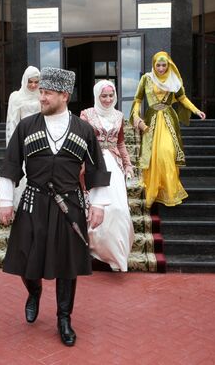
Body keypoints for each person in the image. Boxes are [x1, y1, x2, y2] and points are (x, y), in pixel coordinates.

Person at [0, 67, 111, 346]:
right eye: (41, 92)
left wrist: (98, 205)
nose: (41, 97)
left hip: (69, 204)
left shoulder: (83, 130)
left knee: (67, 265)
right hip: (33, 202)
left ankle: (63, 317)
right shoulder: (27, 126)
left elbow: (97, 168)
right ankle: (34, 291)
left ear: (64, 95)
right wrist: (6, 201)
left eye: (47, 93)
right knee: (25, 259)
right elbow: (11, 164)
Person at [130, 51, 206, 209]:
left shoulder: (174, 79)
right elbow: (137, 100)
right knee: (151, 158)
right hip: (151, 122)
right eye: (158, 64)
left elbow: (182, 98)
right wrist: (136, 115)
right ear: (154, 64)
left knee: (167, 154)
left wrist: (196, 110)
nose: (161, 68)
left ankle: (169, 192)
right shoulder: (146, 78)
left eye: (164, 65)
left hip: (169, 121)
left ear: (169, 65)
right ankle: (152, 191)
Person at [79, 80, 134, 271]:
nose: (108, 99)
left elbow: (120, 143)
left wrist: (127, 164)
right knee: (95, 208)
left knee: (118, 210)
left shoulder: (119, 116)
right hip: (93, 165)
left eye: (111, 95)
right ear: (97, 96)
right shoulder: (86, 114)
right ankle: (93, 250)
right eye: (104, 96)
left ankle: (116, 256)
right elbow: (81, 141)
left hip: (114, 166)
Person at [5, 66, 41, 208]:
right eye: (30, 81)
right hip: (23, 139)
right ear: (24, 80)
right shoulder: (16, 96)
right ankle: (22, 207)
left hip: (41, 138)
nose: (33, 85)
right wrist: (12, 146)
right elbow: (12, 121)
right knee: (24, 172)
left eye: (36, 82)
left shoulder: (43, 94)